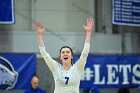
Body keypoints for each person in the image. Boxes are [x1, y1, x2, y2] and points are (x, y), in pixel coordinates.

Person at [35, 18, 94, 93]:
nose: (65, 53)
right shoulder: (56, 68)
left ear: (71, 56)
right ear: (60, 56)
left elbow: (85, 53)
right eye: (63, 52)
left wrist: (88, 32)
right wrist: (39, 34)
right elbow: (44, 54)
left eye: (67, 52)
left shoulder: (78, 68)